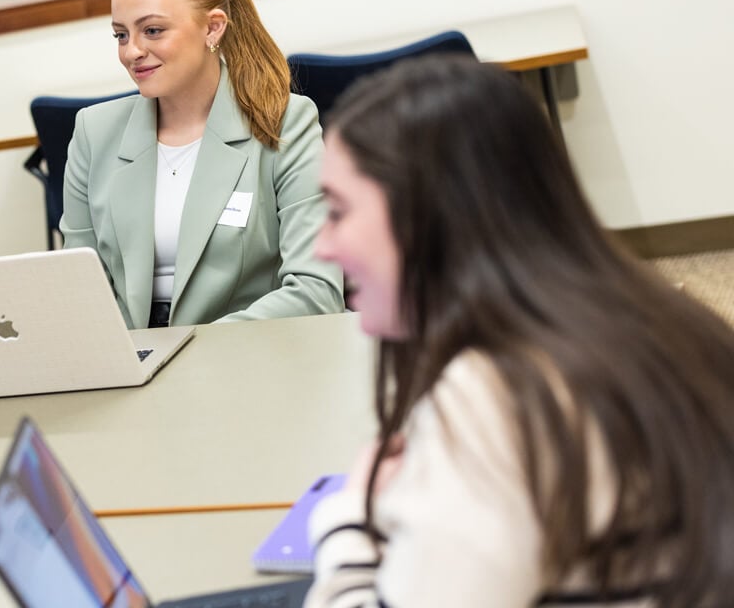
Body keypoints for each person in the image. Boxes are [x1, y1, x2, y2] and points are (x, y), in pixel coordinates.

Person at [305, 54, 734, 607]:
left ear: (428, 217)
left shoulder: (495, 394)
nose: (323, 246)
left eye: (339, 212)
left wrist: (347, 519)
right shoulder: (664, 318)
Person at [61, 0, 344, 329]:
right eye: (121, 35)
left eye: (152, 30)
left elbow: (316, 290)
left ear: (212, 27)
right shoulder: (93, 132)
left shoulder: (284, 121)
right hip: (134, 354)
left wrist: (193, 348)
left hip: (247, 350)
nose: (132, 52)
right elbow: (80, 292)